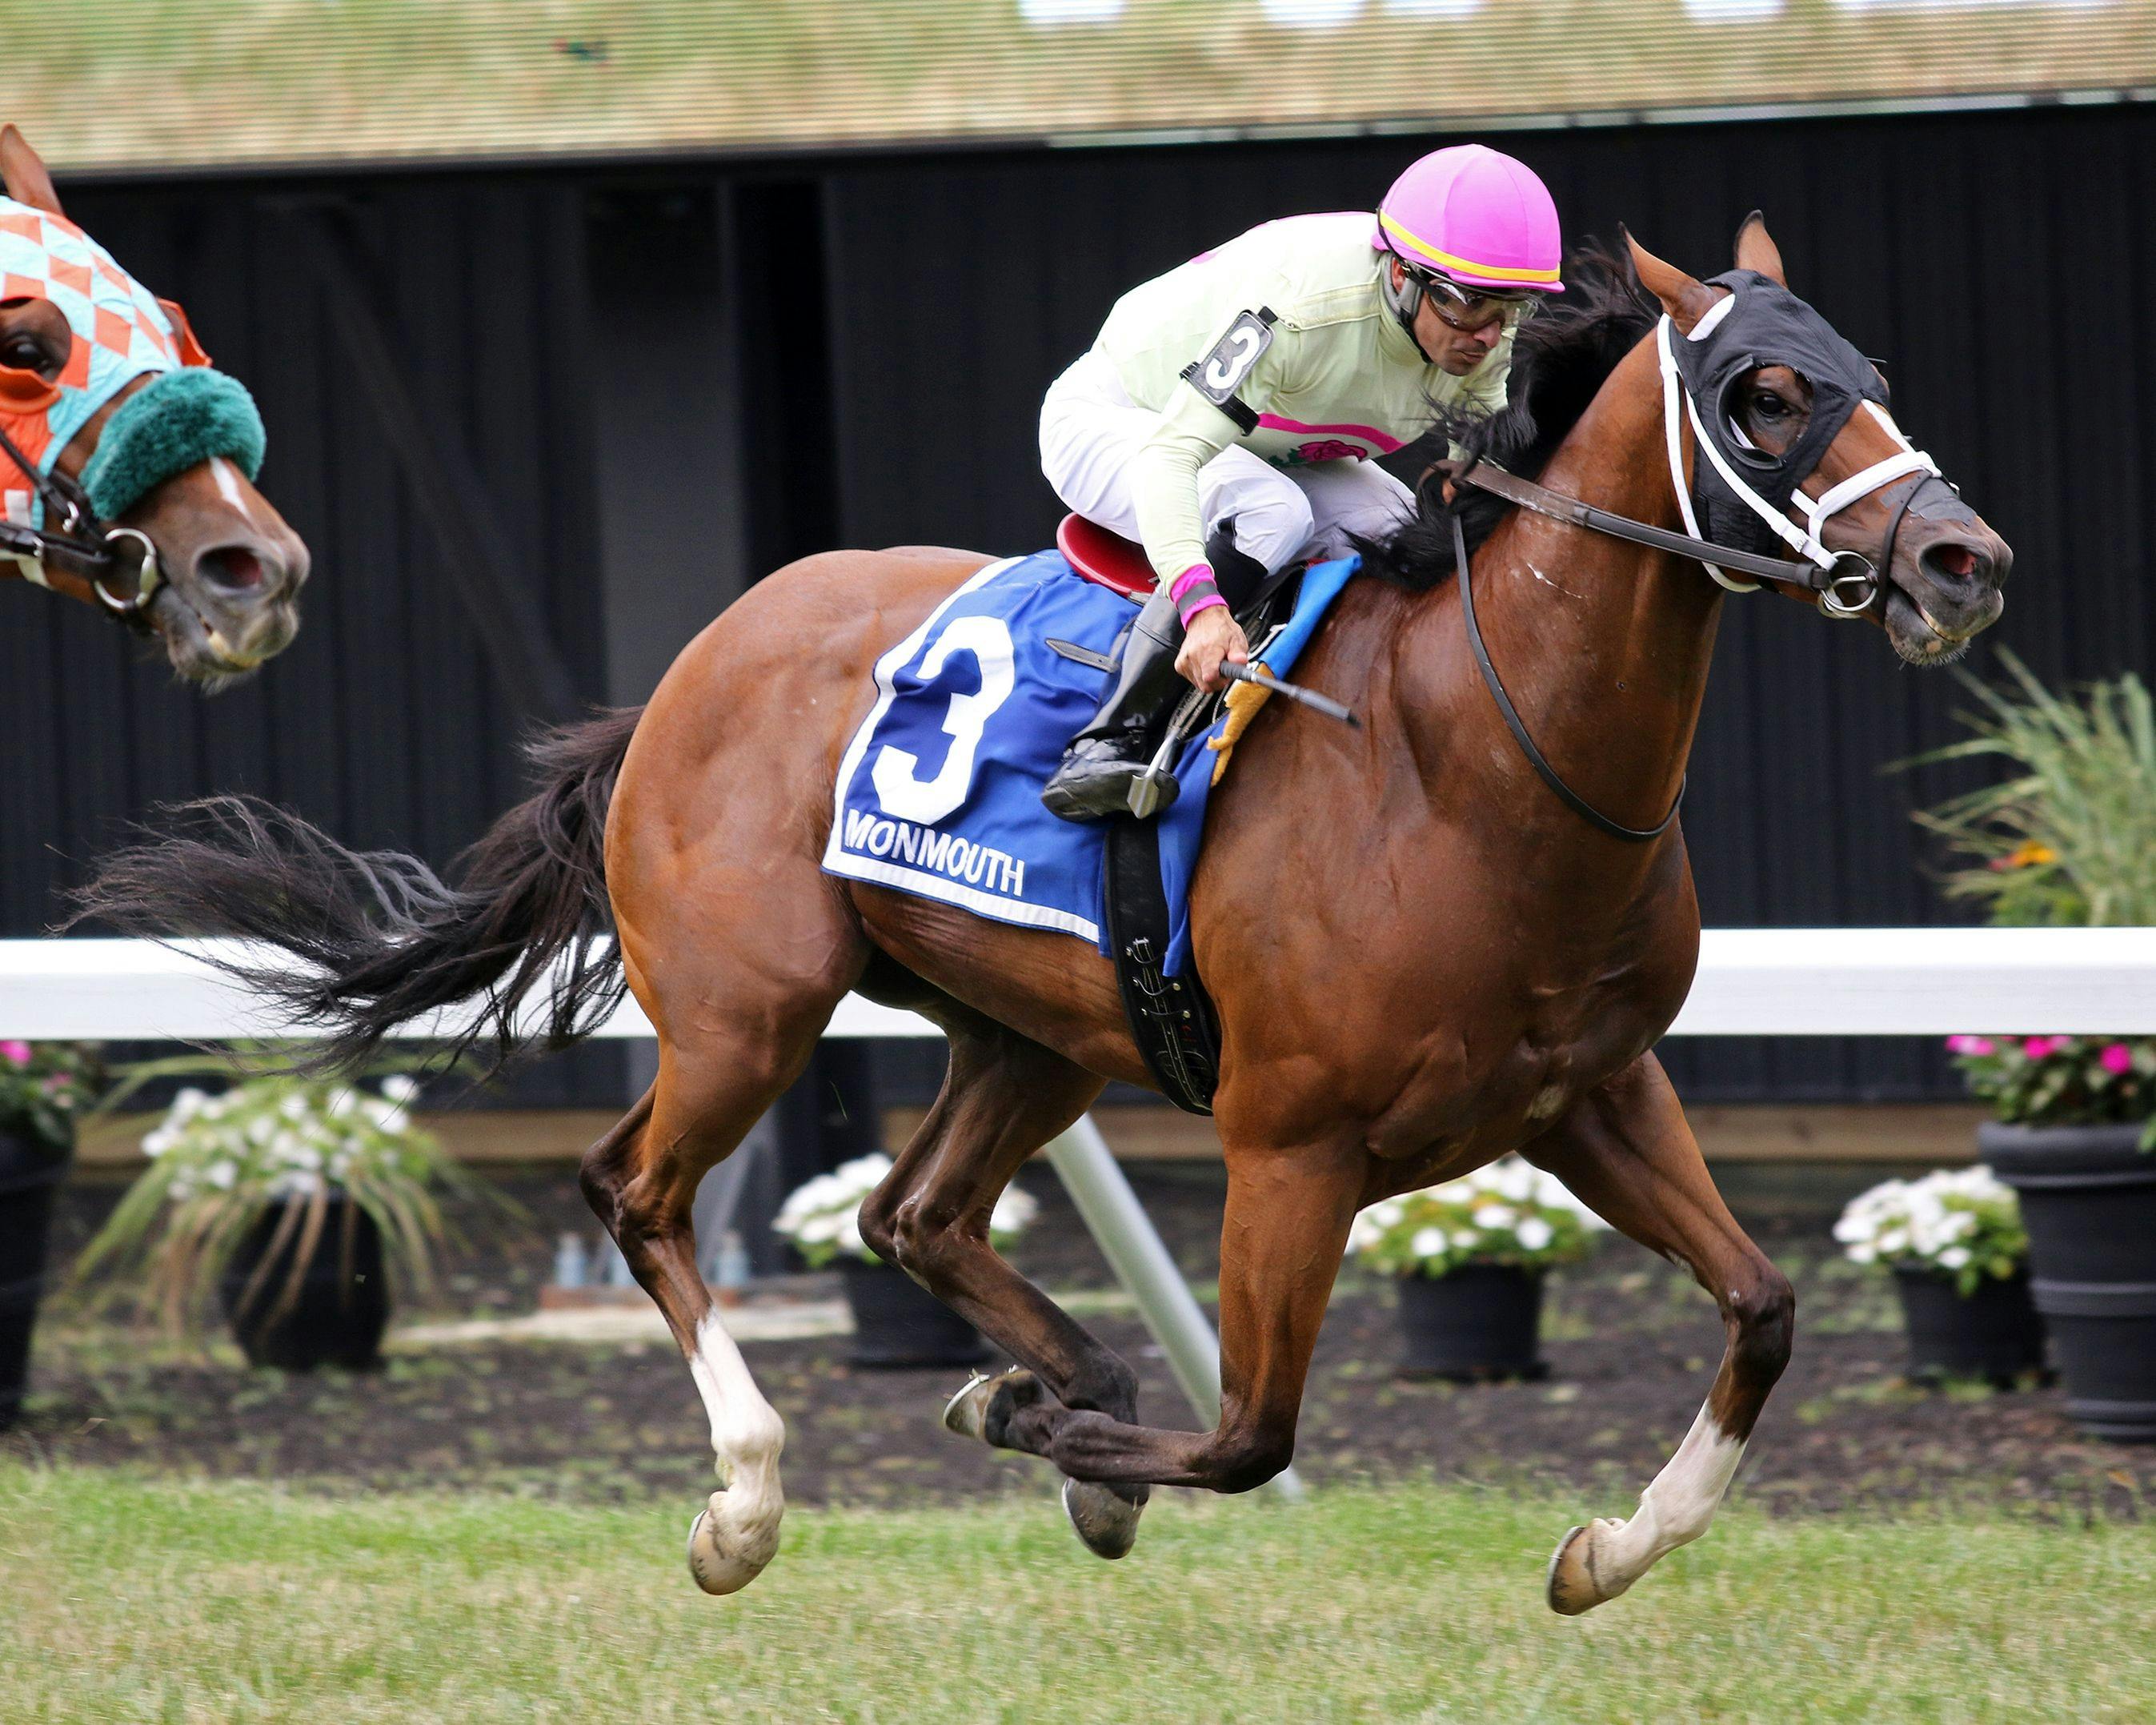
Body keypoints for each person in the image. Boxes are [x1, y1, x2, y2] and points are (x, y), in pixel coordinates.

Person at [1037, 142, 1564, 820]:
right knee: (1271, 512)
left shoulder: (1481, 329)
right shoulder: (1298, 310)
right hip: (1125, 417)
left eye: (1515, 308)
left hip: (1269, 447)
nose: (1490, 337)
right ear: (1401, 275)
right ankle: (1110, 739)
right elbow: (1170, 456)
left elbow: (1476, 474)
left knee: (1403, 535)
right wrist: (1202, 610)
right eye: (1471, 307)